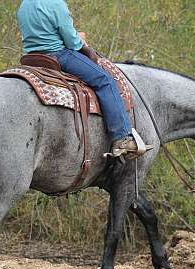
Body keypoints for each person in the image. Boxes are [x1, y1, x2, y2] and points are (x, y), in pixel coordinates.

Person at [17, 0, 149, 158]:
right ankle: (122, 138)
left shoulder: (25, 4)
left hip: (31, 56)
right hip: (58, 54)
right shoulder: (55, 3)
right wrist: (85, 46)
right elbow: (71, 40)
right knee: (105, 80)